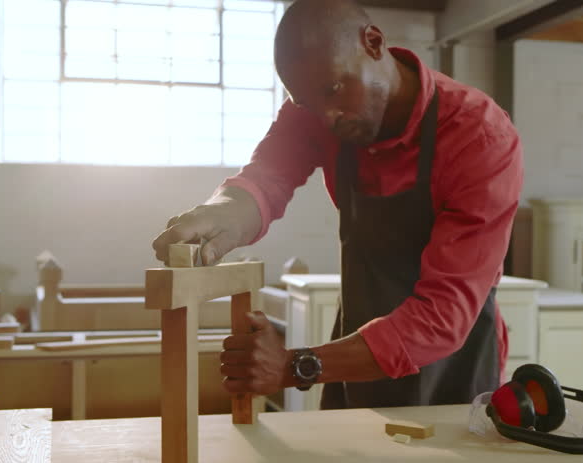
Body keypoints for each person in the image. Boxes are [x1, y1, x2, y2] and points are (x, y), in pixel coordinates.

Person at [152, 0, 523, 409]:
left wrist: (297, 366)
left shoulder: (479, 136)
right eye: (309, 104)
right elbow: (267, 176)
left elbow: (443, 314)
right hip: (360, 346)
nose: (328, 118)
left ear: (374, 42)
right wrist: (223, 213)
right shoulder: (313, 106)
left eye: (334, 90)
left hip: (455, 359)